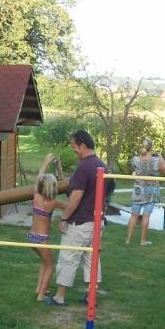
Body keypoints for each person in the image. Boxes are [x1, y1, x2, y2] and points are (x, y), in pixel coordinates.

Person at [44, 130, 105, 307]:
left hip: (79, 223)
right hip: (97, 222)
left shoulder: (84, 167)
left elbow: (76, 196)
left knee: (68, 258)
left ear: (82, 146)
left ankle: (59, 297)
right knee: (92, 260)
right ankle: (90, 297)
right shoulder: (101, 164)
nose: (74, 150)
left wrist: (64, 218)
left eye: (74, 147)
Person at [31, 154, 65, 301]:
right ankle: (41, 296)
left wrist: (45, 162)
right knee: (51, 265)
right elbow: (69, 206)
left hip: (31, 237)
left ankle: (39, 288)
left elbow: (39, 178)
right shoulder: (53, 203)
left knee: (44, 262)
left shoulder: (36, 196)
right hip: (42, 239)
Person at [125, 137, 165, 246]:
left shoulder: (135, 159)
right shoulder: (156, 160)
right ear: (151, 147)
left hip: (138, 190)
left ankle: (128, 240)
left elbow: (135, 171)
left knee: (134, 216)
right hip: (152, 190)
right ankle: (143, 240)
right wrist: (160, 156)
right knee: (146, 216)